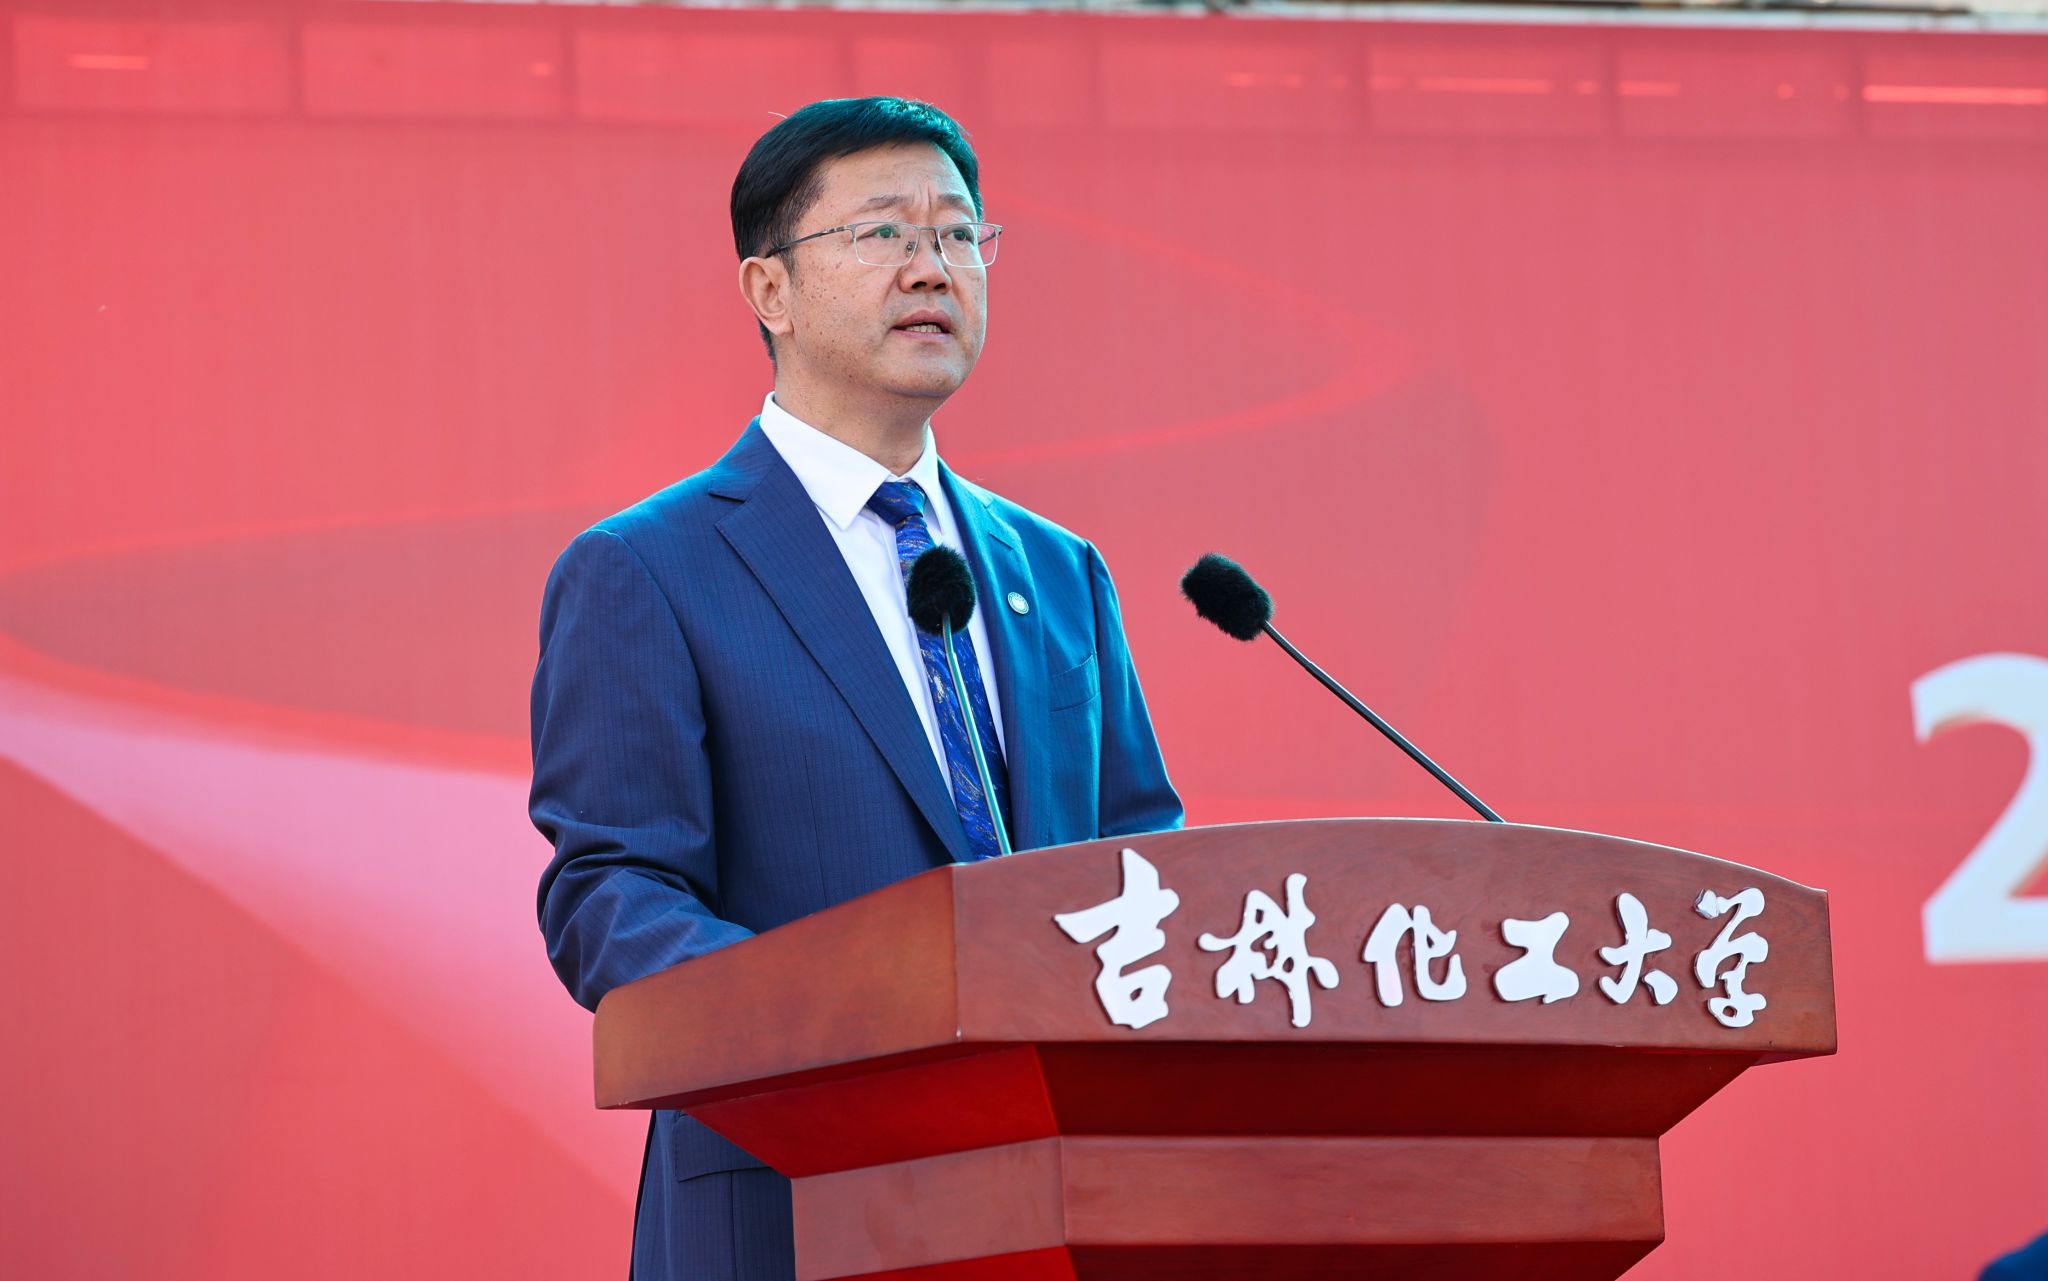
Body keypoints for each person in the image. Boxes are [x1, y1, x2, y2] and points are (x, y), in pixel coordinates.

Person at [528, 97, 1183, 1281]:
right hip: (792, 1196)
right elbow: (610, 891)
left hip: (1055, 1203)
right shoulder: (649, 568)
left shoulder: (1056, 572)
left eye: (958, 235)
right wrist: (845, 1022)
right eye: (882, 232)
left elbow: (1141, 865)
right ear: (768, 290)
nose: (932, 267)